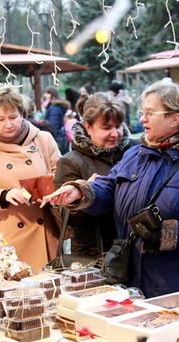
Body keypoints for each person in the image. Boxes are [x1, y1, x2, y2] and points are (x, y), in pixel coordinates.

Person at [42, 80, 179, 299]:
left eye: (150, 113)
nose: (142, 118)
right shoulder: (136, 154)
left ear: (175, 118)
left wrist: (167, 234)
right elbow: (110, 186)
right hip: (134, 281)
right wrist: (81, 191)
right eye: (142, 112)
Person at [0, 84, 61, 272]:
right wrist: (3, 196)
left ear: (22, 114)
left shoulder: (43, 140)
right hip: (6, 242)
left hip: (45, 233)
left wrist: (47, 187)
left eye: (13, 117)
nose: (8, 124)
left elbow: (62, 177)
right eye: (1, 119)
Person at [54, 93, 131, 257]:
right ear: (88, 127)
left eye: (118, 126)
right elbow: (68, 218)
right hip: (95, 254)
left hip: (132, 248)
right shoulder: (70, 162)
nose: (115, 133)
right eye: (106, 128)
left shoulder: (133, 153)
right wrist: (83, 195)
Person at [42, 86, 69, 154]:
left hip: (57, 139)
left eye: (48, 93)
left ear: (53, 95)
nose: (45, 95)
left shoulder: (54, 108)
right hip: (60, 138)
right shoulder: (54, 107)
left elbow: (53, 125)